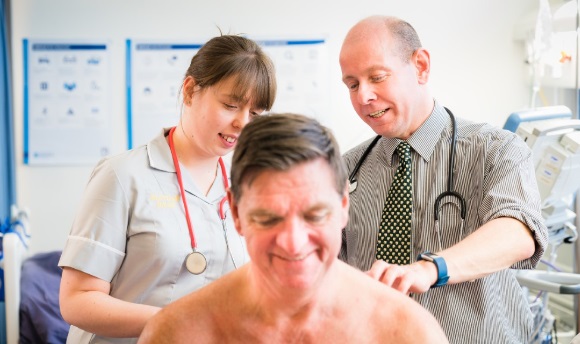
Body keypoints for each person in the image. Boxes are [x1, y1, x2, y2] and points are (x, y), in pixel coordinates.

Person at [137, 113, 449, 344]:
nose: (293, 243)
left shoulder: (406, 333)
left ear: (343, 206)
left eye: (314, 215)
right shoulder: (178, 334)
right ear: (235, 212)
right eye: (269, 218)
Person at [338, 15, 549, 343]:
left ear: (421, 66)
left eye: (376, 77)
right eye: (352, 84)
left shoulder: (494, 150)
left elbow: (518, 231)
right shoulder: (346, 169)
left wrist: (430, 269)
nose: (363, 96)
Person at [58, 34, 277, 343]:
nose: (243, 122)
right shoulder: (122, 176)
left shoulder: (246, 183)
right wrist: (181, 319)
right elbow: (77, 300)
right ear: (189, 91)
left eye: (255, 114)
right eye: (231, 105)